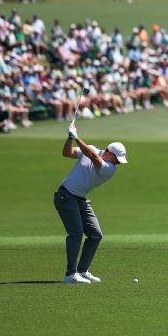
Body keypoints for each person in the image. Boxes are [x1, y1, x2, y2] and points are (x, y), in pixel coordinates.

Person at [55, 121, 128, 284]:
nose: (118, 163)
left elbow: (94, 157)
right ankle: (70, 274)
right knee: (76, 233)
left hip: (80, 199)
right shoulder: (92, 150)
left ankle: (82, 270)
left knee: (95, 235)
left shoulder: (110, 169)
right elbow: (67, 153)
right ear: (109, 152)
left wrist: (77, 137)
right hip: (65, 196)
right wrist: (70, 138)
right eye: (117, 159)